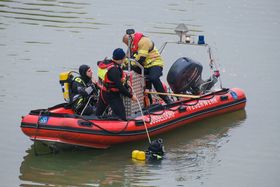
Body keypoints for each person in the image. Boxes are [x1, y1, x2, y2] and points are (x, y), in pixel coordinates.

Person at [123, 31, 172, 104]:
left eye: (128, 44)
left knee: (153, 78)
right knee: (127, 70)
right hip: (144, 66)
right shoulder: (134, 45)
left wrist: (131, 64)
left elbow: (141, 58)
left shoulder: (144, 41)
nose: (128, 46)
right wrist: (124, 65)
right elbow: (130, 58)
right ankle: (148, 102)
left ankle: (166, 99)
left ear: (130, 41)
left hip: (155, 63)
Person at [96, 48, 137, 120]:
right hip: (112, 95)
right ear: (122, 58)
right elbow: (120, 87)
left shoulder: (109, 64)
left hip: (103, 92)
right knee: (122, 117)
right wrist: (131, 96)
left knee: (98, 114)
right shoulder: (114, 70)